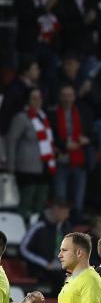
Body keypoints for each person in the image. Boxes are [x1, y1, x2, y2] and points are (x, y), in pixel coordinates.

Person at [5, 88, 56, 218]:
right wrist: (10, 165)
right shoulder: (21, 117)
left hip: (44, 167)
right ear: (28, 100)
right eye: (34, 98)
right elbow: (11, 141)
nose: (38, 101)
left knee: (40, 201)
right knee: (26, 201)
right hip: (26, 168)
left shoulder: (43, 116)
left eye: (40, 98)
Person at [51, 84, 92, 223]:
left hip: (79, 161)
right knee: (60, 200)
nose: (67, 99)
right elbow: (51, 135)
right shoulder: (53, 114)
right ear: (59, 97)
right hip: (61, 161)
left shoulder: (83, 113)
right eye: (64, 95)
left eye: (70, 95)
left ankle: (75, 228)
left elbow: (91, 133)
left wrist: (86, 139)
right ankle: (60, 227)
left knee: (78, 201)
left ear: (74, 97)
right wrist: (64, 144)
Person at [20, 197, 71, 294]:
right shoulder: (39, 226)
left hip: (59, 266)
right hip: (39, 268)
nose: (67, 215)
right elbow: (23, 249)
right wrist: (45, 263)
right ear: (56, 209)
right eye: (65, 212)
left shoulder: (65, 227)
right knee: (62, 279)